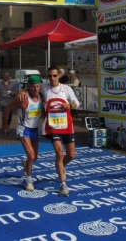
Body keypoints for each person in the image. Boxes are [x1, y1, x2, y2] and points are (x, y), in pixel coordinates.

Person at [18, 66, 79, 197]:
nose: (52, 78)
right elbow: (31, 87)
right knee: (59, 153)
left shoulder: (66, 89)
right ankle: (63, 185)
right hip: (53, 126)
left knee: (72, 155)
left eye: (54, 76)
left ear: (59, 76)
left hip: (67, 125)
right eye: (49, 76)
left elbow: (76, 102)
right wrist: (22, 91)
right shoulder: (44, 87)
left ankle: (61, 166)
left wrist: (70, 105)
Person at [3, 75, 43, 191]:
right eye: (33, 87)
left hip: (35, 129)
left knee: (34, 158)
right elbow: (8, 108)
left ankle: (26, 162)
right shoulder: (23, 99)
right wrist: (5, 124)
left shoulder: (41, 96)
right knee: (31, 156)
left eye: (38, 86)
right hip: (24, 129)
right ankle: (29, 180)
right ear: (28, 87)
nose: (36, 89)